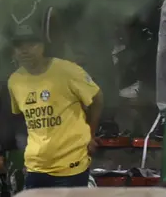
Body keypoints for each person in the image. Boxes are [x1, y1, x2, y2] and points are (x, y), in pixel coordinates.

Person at [7, 24, 102, 190]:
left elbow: (97, 98)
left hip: (70, 166)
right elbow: (23, 118)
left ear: (43, 46)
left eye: (31, 45)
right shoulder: (14, 81)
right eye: (19, 46)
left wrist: (90, 134)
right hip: (35, 167)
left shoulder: (68, 71)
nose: (24, 51)